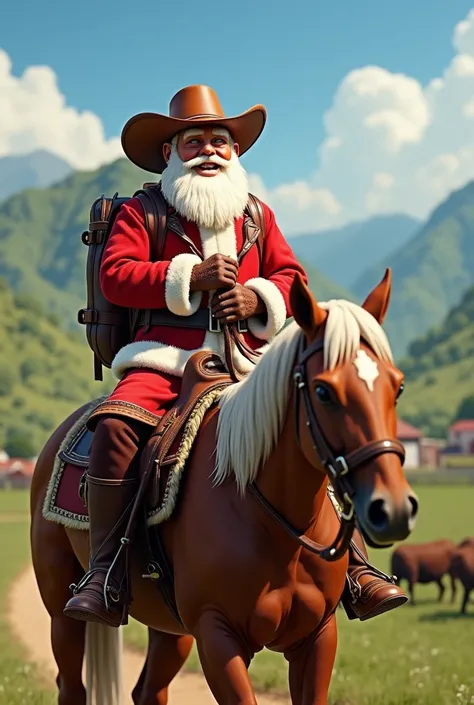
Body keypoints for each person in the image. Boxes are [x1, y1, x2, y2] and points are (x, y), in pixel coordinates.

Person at [63, 85, 407, 628]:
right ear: (169, 154)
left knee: (315, 425)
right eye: (194, 140)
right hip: (163, 361)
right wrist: (189, 277)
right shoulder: (142, 211)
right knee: (116, 429)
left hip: (253, 365)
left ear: (236, 153)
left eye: (220, 141)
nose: (209, 151)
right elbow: (116, 275)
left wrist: (257, 297)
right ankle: (105, 573)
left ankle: (357, 566)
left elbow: (292, 277)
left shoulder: (257, 216)